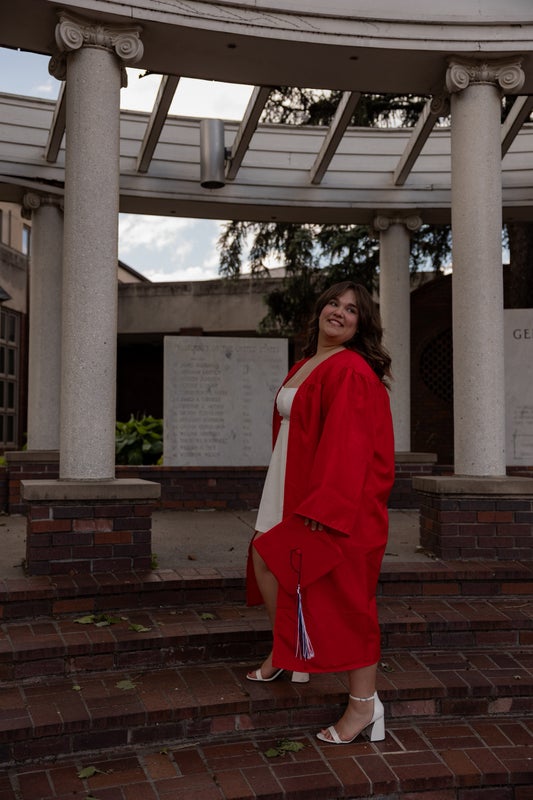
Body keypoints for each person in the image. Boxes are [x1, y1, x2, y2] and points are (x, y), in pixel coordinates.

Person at [245, 280, 395, 745]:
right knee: (265, 557)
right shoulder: (307, 362)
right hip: (290, 484)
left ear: (360, 325)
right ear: (320, 310)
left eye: (352, 309)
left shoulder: (350, 370)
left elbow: (350, 445)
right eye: (334, 303)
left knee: (346, 596)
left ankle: (364, 707)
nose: (339, 312)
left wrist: (325, 505)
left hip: (338, 499)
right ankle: (289, 650)